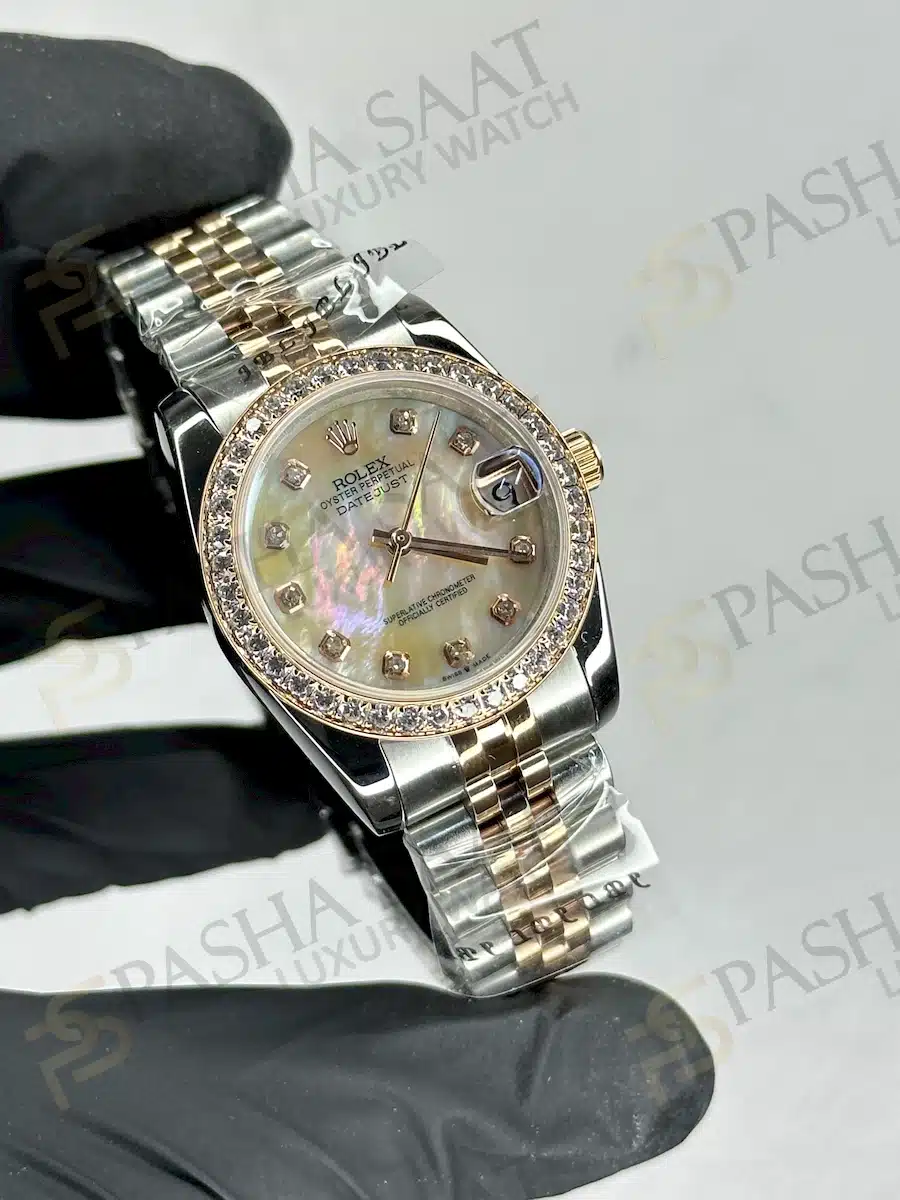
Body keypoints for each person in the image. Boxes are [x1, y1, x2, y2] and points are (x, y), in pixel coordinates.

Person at [0, 31, 712, 1197]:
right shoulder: (231, 498)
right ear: (237, 603)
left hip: (467, 649)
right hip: (388, 659)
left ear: (557, 470)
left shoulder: (420, 359)